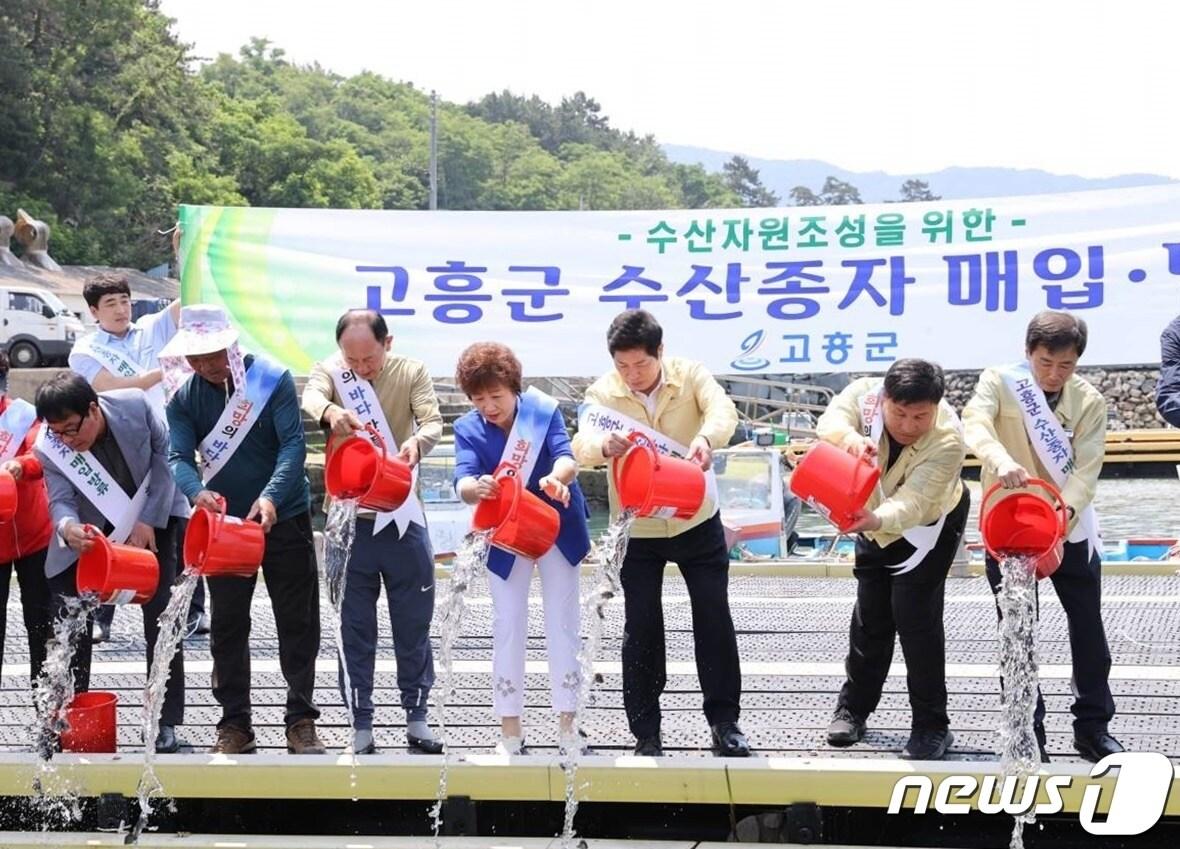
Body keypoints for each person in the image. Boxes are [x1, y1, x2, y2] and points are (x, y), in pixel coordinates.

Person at [571, 309, 749, 758]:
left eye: (642, 365)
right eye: (623, 366)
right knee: (642, 625)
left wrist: (707, 439)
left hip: (694, 516)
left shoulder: (690, 376)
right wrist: (600, 447)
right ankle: (646, 731)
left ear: (660, 353)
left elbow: (722, 409)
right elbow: (576, 444)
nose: (632, 375)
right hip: (638, 526)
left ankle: (725, 722)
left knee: (713, 617)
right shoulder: (602, 394)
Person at [963, 310, 1123, 763]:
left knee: (1088, 628)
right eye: (1046, 363)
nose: (1054, 375)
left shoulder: (1089, 401)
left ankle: (1093, 726)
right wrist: (999, 460)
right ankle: (1025, 731)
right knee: (1016, 631)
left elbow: (1087, 470)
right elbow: (975, 424)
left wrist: (1061, 516)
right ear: (1028, 353)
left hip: (1068, 527)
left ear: (1077, 363)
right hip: (1010, 524)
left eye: (1065, 366)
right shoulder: (999, 381)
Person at [165, 304, 325, 755]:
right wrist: (197, 492)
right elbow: (178, 456)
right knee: (228, 624)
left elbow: (293, 444)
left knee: (297, 621)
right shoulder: (183, 397)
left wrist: (271, 496)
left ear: (232, 344)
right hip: (226, 527)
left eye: (213, 354)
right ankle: (234, 723)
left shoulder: (270, 379)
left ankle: (301, 719)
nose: (205, 365)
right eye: (195, 357)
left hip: (284, 515)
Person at [301, 310, 445, 755]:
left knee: (414, 622)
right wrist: (329, 411)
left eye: (370, 359)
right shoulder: (331, 371)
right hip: (349, 524)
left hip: (402, 517)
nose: (361, 368)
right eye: (353, 360)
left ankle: (417, 716)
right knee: (354, 627)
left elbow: (433, 420)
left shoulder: (412, 371)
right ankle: (360, 722)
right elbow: (310, 396)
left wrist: (417, 444)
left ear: (389, 343)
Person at [817, 359, 968, 761]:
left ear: (936, 406)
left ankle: (933, 725)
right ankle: (853, 710)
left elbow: (915, 502)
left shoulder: (949, 438)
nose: (907, 425)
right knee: (871, 614)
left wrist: (876, 519)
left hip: (927, 525)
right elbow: (829, 422)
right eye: (899, 413)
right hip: (868, 514)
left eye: (920, 416)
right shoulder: (864, 397)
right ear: (884, 399)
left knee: (915, 618)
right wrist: (850, 439)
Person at [33, 373, 188, 753]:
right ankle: (65, 714)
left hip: (154, 515)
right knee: (70, 620)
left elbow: (165, 460)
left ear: (93, 409)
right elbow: (60, 499)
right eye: (59, 434)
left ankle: (163, 720)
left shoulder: (135, 406)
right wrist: (68, 528)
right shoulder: (50, 446)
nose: (69, 441)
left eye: (72, 429)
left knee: (162, 618)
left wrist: (147, 520)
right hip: (91, 533)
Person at [452, 342, 590, 754]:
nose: (489, 406)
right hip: (506, 533)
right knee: (507, 624)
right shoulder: (467, 429)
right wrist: (475, 488)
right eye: (479, 399)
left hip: (555, 524)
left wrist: (555, 479)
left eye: (496, 396)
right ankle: (510, 730)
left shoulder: (541, 412)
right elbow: (462, 479)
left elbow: (567, 459)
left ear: (514, 388)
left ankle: (568, 725)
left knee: (563, 622)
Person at [67, 272, 207, 641]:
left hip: (165, 445)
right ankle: (102, 614)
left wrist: (184, 253)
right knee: (115, 528)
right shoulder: (85, 350)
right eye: (110, 304)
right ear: (94, 311)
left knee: (179, 527)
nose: (120, 309)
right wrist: (166, 371)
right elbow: (111, 387)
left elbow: (189, 300)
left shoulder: (150, 328)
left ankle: (191, 611)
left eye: (124, 300)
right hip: (117, 451)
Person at [0, 352, 52, 694]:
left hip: (35, 536)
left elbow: (44, 452)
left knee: (43, 629)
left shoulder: (23, 415)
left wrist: (20, 465)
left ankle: (48, 717)